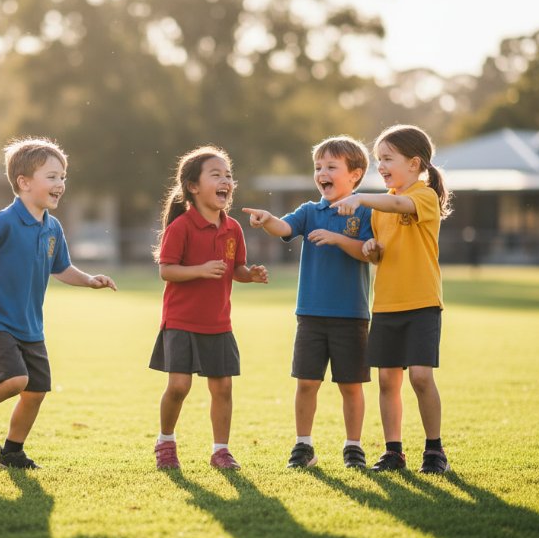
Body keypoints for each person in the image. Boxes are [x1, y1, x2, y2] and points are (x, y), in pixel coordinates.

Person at [0, 137, 116, 470]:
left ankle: (11, 453)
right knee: (15, 380)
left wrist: (90, 280)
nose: (60, 183)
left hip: (30, 326)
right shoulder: (4, 222)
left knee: (35, 391)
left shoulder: (52, 228)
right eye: (51, 176)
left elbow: (61, 268)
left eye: (62, 176)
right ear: (24, 183)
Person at [242, 136, 373, 470]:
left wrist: (338, 238)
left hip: (351, 313)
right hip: (311, 314)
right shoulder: (309, 211)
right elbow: (284, 227)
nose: (322, 173)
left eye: (331, 167)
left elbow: (370, 253)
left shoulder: (367, 211)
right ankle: (304, 446)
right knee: (306, 382)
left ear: (355, 175)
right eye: (318, 167)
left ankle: (354, 447)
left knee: (350, 385)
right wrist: (267, 219)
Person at [330, 124, 453, 474]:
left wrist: (360, 197)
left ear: (414, 164)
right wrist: (370, 248)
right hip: (385, 305)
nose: (380, 166)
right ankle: (393, 451)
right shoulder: (378, 207)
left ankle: (434, 451)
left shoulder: (423, 195)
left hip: (422, 303)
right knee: (387, 381)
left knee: (420, 377)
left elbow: (401, 203)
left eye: (387, 159)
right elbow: (378, 251)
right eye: (377, 160)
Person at [150, 146, 268, 471]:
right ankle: (166, 442)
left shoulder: (234, 229)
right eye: (215, 175)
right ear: (192, 187)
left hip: (218, 323)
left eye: (228, 175)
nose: (225, 181)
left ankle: (221, 451)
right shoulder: (181, 227)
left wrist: (250, 275)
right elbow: (167, 270)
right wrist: (200, 270)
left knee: (223, 387)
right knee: (178, 386)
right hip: (181, 321)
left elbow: (236, 269)